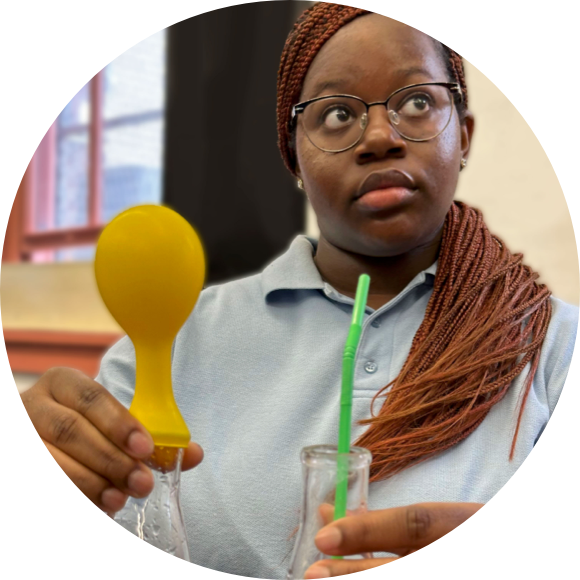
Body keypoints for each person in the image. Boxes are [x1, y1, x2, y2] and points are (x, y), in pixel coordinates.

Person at [18, 3, 580, 579]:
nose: (380, 137)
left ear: (462, 135)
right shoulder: (172, 346)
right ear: (294, 156)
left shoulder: (557, 350)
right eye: (336, 115)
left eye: (416, 102)